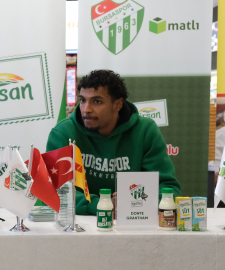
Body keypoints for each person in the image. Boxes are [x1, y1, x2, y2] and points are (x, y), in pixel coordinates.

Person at [46, 69, 180, 215]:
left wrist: (134, 204)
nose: (86, 109)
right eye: (83, 100)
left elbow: (168, 188)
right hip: (79, 222)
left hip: (133, 220)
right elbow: (54, 190)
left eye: (97, 101)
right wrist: (102, 205)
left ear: (118, 104)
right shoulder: (63, 134)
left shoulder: (145, 131)